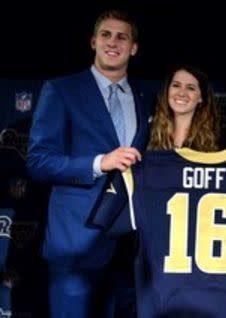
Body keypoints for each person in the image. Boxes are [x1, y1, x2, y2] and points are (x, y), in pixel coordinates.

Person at [26, 9, 150, 317]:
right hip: (75, 244)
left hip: (128, 248)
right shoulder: (61, 90)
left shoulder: (143, 98)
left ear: (133, 47)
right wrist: (99, 163)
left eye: (122, 37)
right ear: (93, 42)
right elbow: (39, 161)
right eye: (106, 35)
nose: (113, 42)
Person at [147, 64, 219, 151]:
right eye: (176, 85)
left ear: (201, 97)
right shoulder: (148, 133)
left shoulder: (215, 138)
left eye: (190, 88)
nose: (181, 93)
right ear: (167, 91)